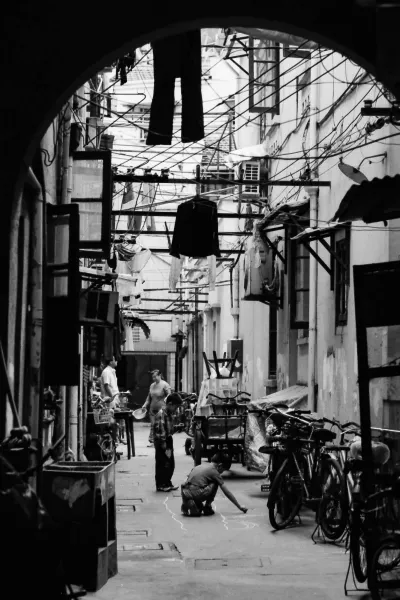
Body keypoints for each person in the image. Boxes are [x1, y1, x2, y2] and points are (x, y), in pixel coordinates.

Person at [181, 452, 248, 517]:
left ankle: (190, 503)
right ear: (220, 465)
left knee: (198, 506)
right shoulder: (214, 472)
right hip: (196, 493)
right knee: (215, 482)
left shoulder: (199, 466)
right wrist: (239, 506)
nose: (221, 473)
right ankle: (207, 507)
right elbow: (226, 492)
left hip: (185, 492)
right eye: (223, 470)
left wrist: (185, 500)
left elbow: (186, 481)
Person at [153, 392, 183, 492]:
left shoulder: (169, 414)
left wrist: (177, 428)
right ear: (170, 404)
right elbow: (161, 432)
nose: (176, 409)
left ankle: (167, 482)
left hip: (168, 441)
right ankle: (161, 484)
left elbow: (169, 429)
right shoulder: (161, 414)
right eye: (176, 407)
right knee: (163, 464)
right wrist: (164, 447)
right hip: (162, 442)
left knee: (170, 464)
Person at [142, 369, 171, 447]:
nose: (153, 378)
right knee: (153, 425)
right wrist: (145, 405)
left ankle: (161, 441)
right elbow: (149, 397)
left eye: (155, 376)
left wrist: (166, 404)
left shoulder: (165, 385)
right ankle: (153, 441)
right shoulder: (152, 385)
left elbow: (169, 395)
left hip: (161, 409)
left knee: (160, 425)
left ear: (159, 375)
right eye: (153, 377)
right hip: (152, 409)